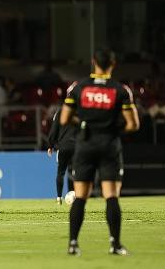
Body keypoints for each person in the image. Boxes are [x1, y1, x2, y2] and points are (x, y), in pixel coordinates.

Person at [60, 48, 140, 256]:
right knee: (111, 196)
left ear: (93, 61)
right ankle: (115, 244)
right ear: (113, 64)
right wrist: (113, 129)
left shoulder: (79, 87)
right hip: (109, 146)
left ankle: (73, 244)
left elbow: (64, 119)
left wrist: (85, 124)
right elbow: (133, 125)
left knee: (81, 197)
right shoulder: (121, 90)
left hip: (85, 146)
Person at [47, 107, 77, 205]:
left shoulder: (61, 111)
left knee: (61, 172)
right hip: (77, 146)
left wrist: (50, 145)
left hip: (63, 146)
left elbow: (54, 128)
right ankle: (80, 197)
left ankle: (59, 198)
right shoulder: (81, 109)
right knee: (78, 171)